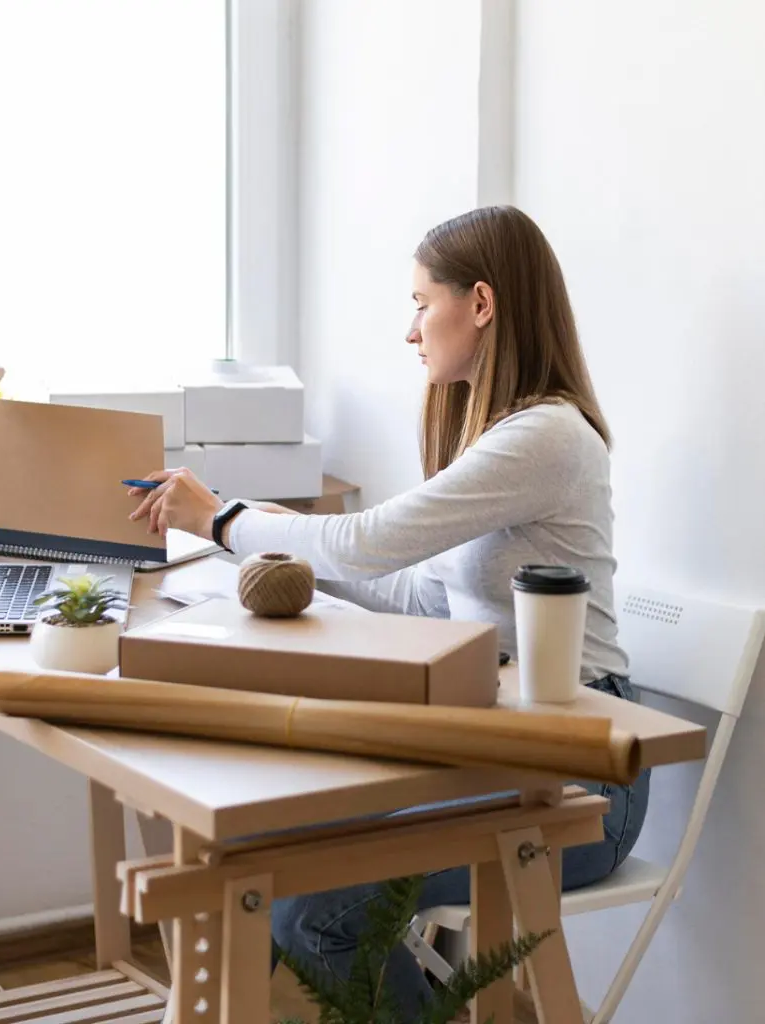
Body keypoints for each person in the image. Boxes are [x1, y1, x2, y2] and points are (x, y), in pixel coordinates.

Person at [127, 205, 649, 1017]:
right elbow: (408, 590)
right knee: (248, 846)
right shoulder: (495, 437)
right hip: (496, 744)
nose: (411, 330)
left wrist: (225, 518)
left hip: (580, 779)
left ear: (480, 304)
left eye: (420, 302)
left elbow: (370, 542)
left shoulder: (547, 437)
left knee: (313, 911)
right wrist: (263, 549)